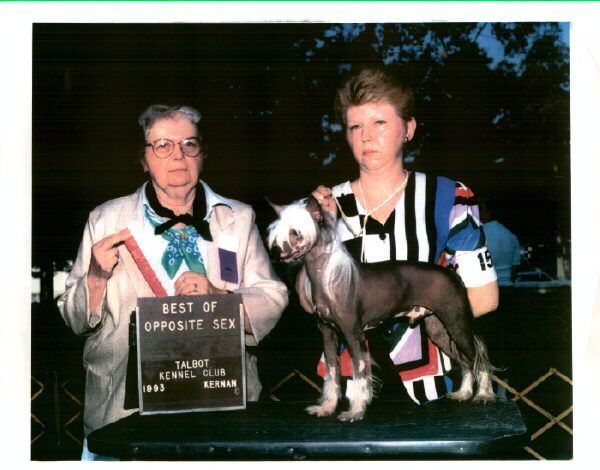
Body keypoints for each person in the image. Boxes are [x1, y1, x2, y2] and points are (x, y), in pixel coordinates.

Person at [57, 104, 288, 459]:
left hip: (220, 407)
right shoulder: (105, 219)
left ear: (203, 154)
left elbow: (272, 296)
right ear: (144, 159)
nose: (178, 155)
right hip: (124, 413)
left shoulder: (238, 218)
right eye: (163, 145)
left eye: (189, 144)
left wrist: (217, 297)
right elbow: (73, 319)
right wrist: (96, 277)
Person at [306, 66, 499, 404]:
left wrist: (425, 301)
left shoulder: (450, 197)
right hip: (350, 392)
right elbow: (311, 303)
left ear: (408, 129)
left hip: (441, 386)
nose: (366, 136)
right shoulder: (324, 205)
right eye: (355, 126)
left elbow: (485, 298)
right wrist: (320, 231)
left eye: (379, 122)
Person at [479, 199, 522, 286]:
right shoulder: (511, 236)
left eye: (479, 210)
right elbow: (515, 268)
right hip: (508, 287)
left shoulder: (479, 235)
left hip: (487, 288)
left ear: (489, 213)